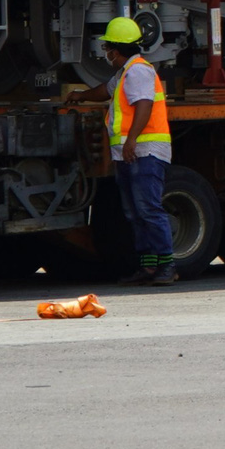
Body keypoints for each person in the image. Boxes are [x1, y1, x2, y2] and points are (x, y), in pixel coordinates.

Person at [73, 16, 172, 285]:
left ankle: (166, 266)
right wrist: (81, 95)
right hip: (132, 154)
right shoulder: (126, 72)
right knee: (135, 212)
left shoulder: (139, 71)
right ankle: (149, 267)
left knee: (148, 209)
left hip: (145, 151)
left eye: (107, 49)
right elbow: (105, 90)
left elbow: (144, 106)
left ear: (116, 50)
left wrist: (131, 141)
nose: (106, 54)